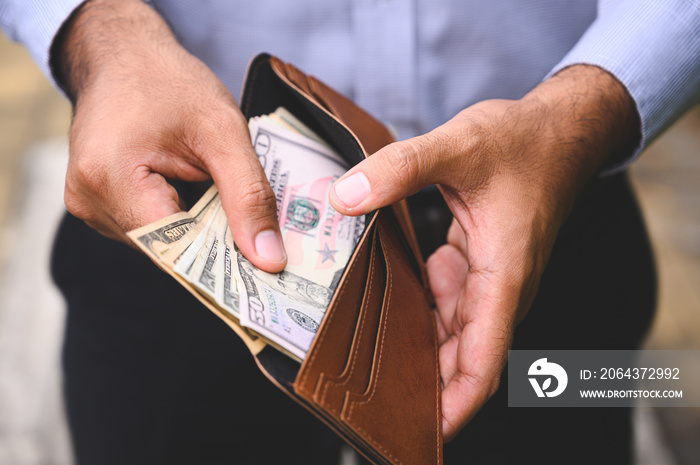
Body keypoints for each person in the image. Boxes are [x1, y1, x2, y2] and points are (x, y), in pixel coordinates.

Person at [2, 0, 699, 463]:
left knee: (582, 416)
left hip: (554, 229)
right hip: (175, 238)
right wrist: (99, 29)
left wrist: (582, 113)